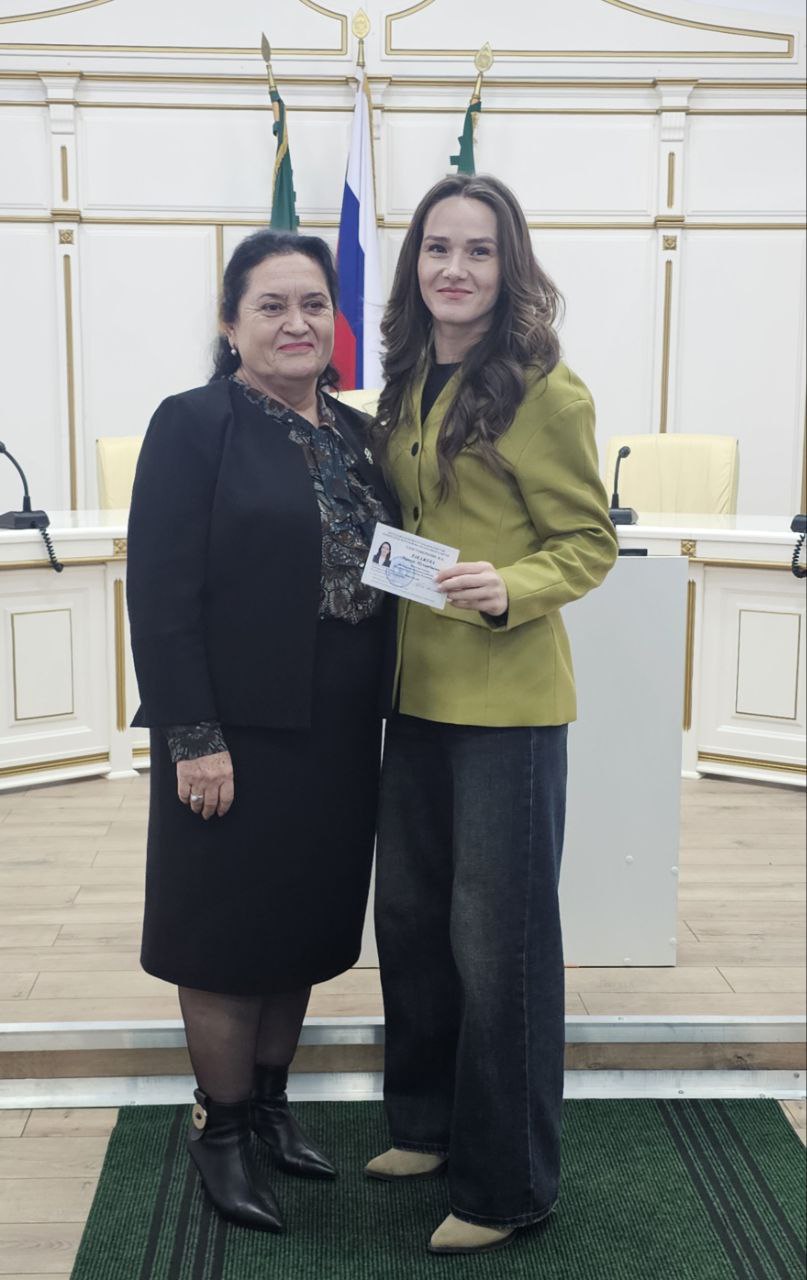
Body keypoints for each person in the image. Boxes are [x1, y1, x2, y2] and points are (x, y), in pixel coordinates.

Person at [365, 174, 619, 1256]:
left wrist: (511, 584)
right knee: (412, 921)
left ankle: (508, 1183)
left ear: (509, 266)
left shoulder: (545, 391)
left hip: (506, 703)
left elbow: (589, 541)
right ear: (414, 263)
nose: (454, 268)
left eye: (477, 250)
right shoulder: (406, 377)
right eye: (437, 248)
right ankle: (424, 1125)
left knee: (497, 942)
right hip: (412, 692)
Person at [126, 229, 397, 1233]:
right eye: (272, 305)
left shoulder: (361, 434)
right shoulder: (193, 424)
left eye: (313, 304)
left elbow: (392, 560)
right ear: (230, 322)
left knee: (302, 925)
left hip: (338, 728)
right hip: (233, 732)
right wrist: (192, 736)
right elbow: (160, 593)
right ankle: (222, 1127)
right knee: (225, 934)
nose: (296, 322)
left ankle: (273, 1108)